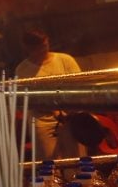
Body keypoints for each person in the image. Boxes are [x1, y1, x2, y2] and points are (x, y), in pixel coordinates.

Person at [15, 29, 85, 160]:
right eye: (37, 48)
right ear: (27, 48)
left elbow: (79, 87)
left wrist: (69, 110)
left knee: (75, 158)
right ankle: (52, 181)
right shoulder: (22, 70)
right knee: (48, 160)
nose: (42, 50)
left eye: (45, 46)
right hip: (42, 121)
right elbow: (29, 98)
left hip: (70, 116)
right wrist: (54, 111)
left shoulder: (65, 60)